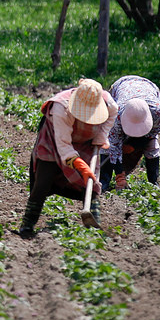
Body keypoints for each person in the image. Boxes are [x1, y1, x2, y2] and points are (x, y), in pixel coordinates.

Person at [15, 78, 117, 237]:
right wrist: (80, 166)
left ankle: (94, 226)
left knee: (92, 182)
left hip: (86, 141)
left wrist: (101, 136)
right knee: (43, 181)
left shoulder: (108, 103)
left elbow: (112, 115)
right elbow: (63, 145)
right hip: (54, 139)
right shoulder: (61, 107)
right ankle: (27, 225)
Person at [100, 74, 160, 192]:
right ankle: (103, 181)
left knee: (152, 147)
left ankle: (154, 182)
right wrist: (120, 176)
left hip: (149, 87)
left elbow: (151, 135)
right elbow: (114, 145)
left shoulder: (157, 114)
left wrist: (135, 146)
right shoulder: (116, 115)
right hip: (121, 85)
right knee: (107, 146)